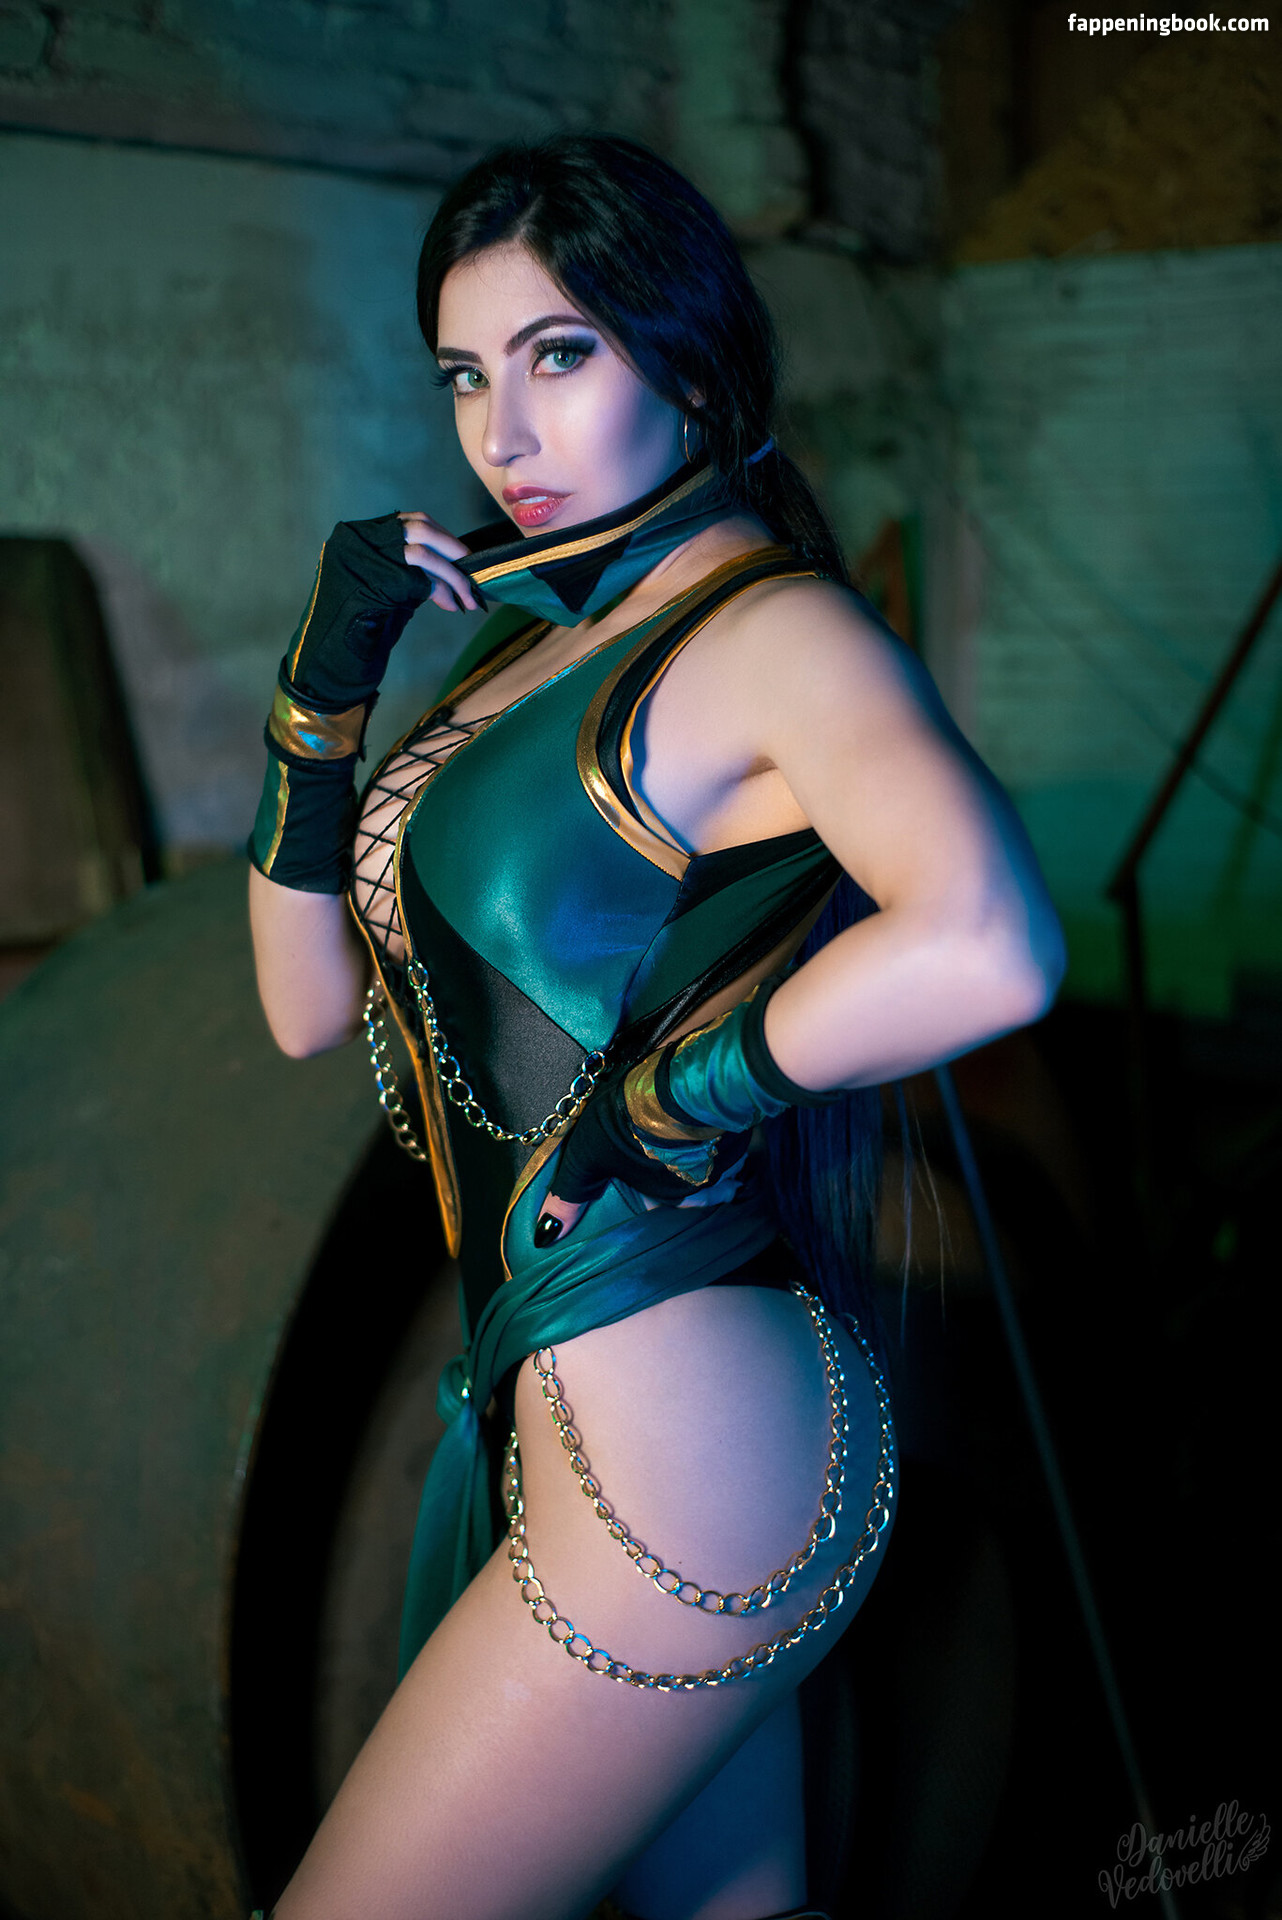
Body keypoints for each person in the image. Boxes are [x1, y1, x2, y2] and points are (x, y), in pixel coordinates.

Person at [246, 132, 1064, 1920]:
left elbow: (992, 942)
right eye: (464, 376)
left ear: (685, 358)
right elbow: (305, 1008)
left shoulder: (770, 632)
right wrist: (320, 699)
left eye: (558, 355)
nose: (501, 432)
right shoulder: (530, 643)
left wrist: (669, 1100)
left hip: (682, 1457)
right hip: (605, 1435)